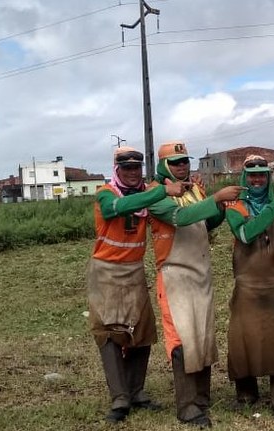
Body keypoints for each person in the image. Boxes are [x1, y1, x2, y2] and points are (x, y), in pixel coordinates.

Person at [86, 146, 188, 423]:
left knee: (141, 333)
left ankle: (136, 391)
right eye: (126, 168)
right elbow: (114, 210)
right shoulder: (107, 193)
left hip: (134, 270)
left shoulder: (148, 192)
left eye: (136, 168)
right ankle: (119, 398)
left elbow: (171, 205)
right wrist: (162, 191)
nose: (132, 172)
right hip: (106, 271)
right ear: (117, 169)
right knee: (108, 333)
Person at [147, 141, 244, 428]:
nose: (182, 166)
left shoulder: (193, 189)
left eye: (184, 161)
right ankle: (187, 406)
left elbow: (207, 221)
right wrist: (214, 198)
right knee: (181, 341)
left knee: (202, 337)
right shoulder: (155, 193)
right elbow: (180, 217)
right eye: (175, 162)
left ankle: (202, 398)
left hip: (201, 274)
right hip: (175, 274)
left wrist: (220, 207)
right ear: (163, 165)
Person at [224, 154, 274, 423]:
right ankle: (246, 395)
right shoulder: (236, 208)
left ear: (268, 178)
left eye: (262, 175)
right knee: (243, 341)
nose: (257, 180)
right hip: (247, 287)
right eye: (252, 175)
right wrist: (272, 210)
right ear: (245, 179)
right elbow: (245, 235)